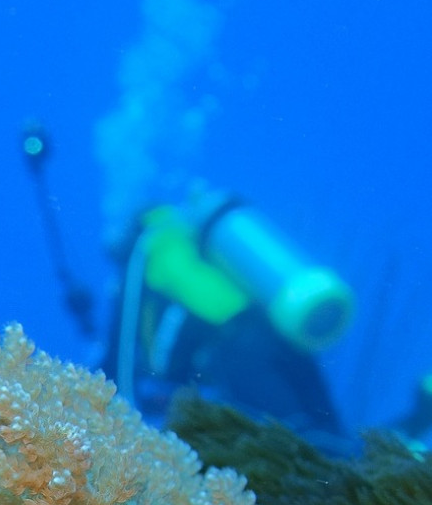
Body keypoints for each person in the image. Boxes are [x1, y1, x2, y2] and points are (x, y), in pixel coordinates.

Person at [106, 190, 354, 444]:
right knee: (330, 433)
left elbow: (123, 352)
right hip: (278, 327)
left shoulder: (143, 254)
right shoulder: (192, 237)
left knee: (292, 443)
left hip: (234, 348)